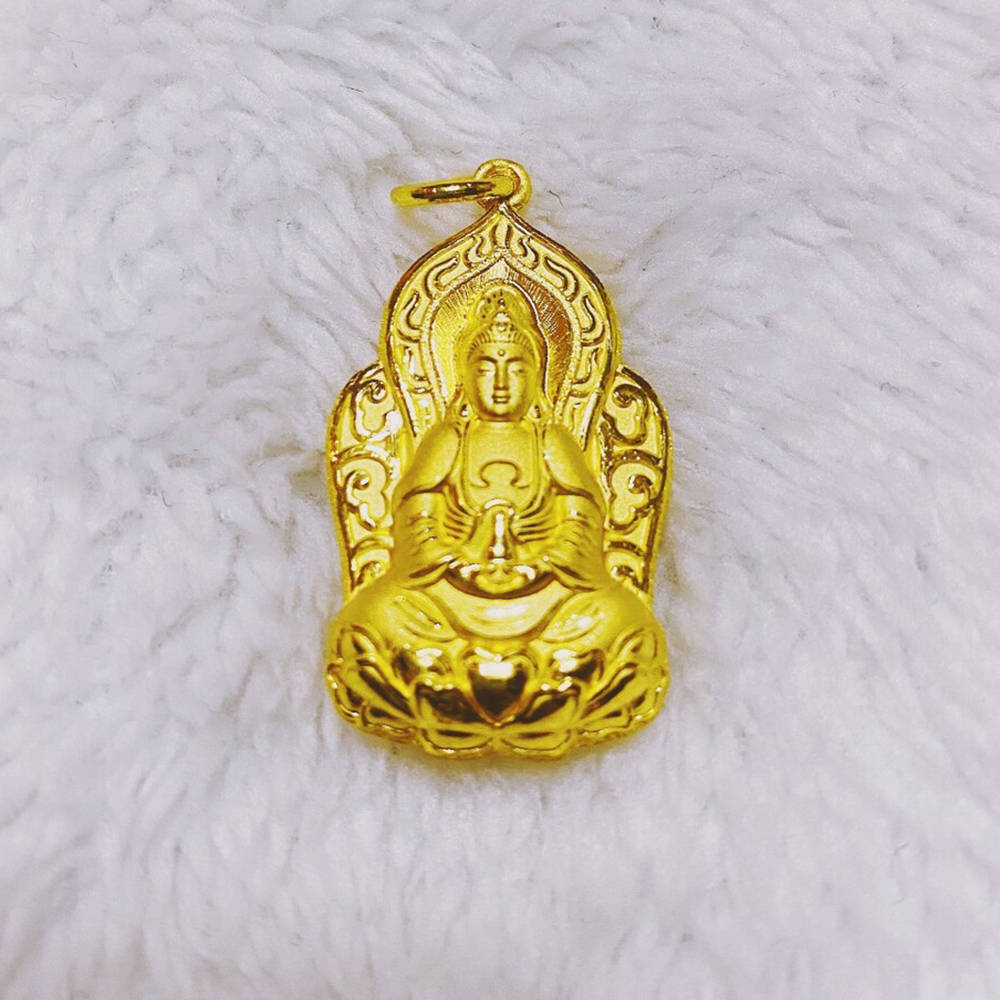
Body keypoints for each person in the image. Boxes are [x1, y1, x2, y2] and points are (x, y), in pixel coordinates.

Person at [326, 283, 667, 755]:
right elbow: (415, 517)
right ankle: (546, 704)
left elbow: (583, 517)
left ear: (537, 375)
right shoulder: (449, 440)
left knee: (617, 619)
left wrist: (545, 562)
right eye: (486, 367)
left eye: (516, 367)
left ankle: (446, 701)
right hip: (448, 596)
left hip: (546, 597)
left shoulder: (551, 441)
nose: (501, 382)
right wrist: (454, 561)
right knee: (377, 616)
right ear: (465, 375)